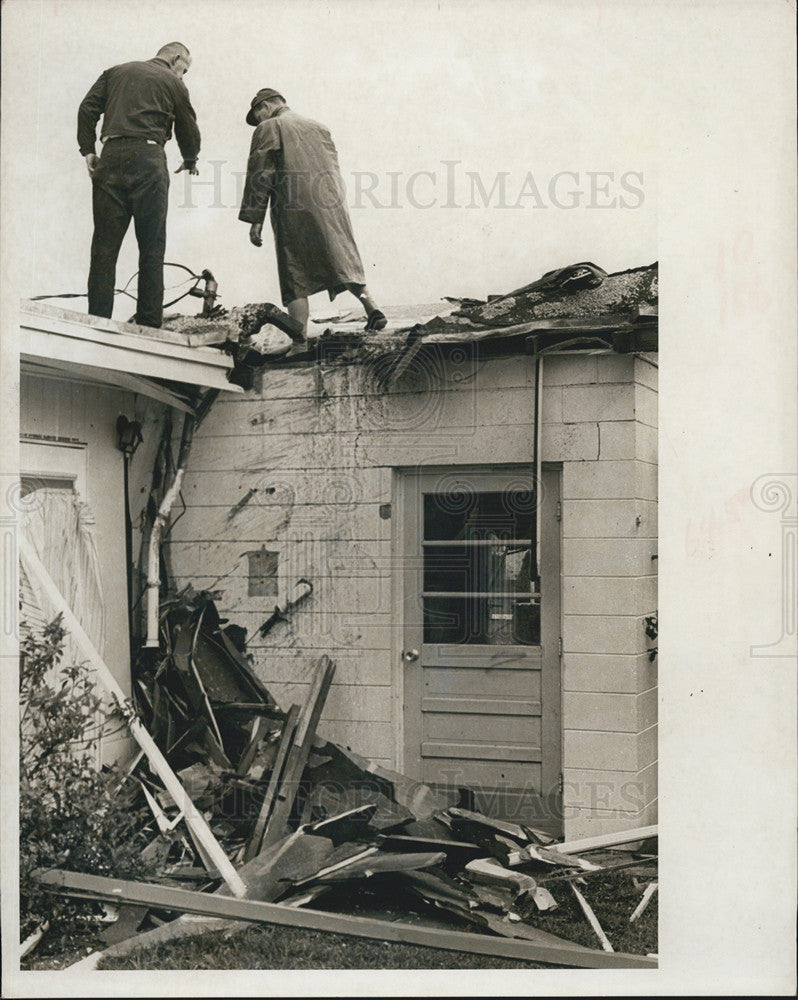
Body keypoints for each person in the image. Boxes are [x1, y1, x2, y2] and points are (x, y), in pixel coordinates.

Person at [239, 88, 386, 342]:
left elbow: (260, 173)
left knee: (293, 270)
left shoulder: (269, 127)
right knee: (341, 260)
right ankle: (372, 308)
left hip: (293, 205)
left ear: (264, 106)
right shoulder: (319, 127)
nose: (259, 122)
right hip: (331, 204)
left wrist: (255, 219)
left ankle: (299, 338)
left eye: (257, 115)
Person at [77, 42, 201, 329]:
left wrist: (88, 150)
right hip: (149, 159)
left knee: (104, 248)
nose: (183, 76)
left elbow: (87, 109)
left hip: (110, 157)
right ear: (176, 58)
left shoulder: (115, 72)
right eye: (185, 69)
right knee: (152, 248)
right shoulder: (173, 82)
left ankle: (97, 322)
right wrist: (190, 158)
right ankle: (148, 325)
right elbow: (187, 125)